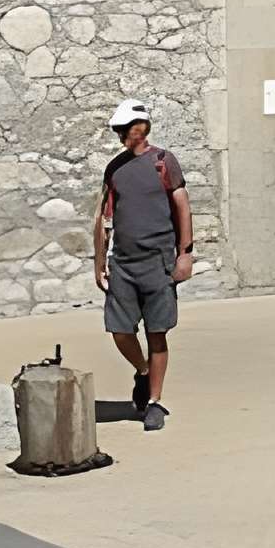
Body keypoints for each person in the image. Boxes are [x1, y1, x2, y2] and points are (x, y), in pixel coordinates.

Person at [93, 96, 191, 430]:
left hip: (158, 262)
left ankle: (155, 402)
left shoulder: (163, 162)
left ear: (142, 128)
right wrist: (98, 262)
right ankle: (144, 371)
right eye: (120, 130)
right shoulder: (115, 168)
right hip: (123, 263)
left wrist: (185, 254)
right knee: (120, 330)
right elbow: (104, 218)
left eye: (127, 128)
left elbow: (182, 207)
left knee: (157, 332)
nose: (123, 134)